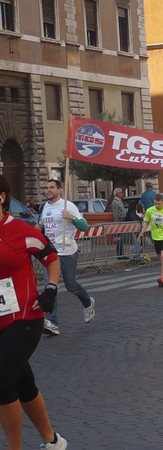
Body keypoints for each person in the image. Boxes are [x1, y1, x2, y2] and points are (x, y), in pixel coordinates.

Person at [0, 175, 69, 450]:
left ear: (1, 197)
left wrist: (50, 290)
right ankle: (52, 441)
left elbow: (51, 259)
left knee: (2, 380)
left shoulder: (21, 231)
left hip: (25, 319)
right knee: (23, 383)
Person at [39, 179, 96, 336]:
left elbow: (84, 227)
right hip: (50, 253)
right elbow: (43, 229)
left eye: (51, 187)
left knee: (71, 285)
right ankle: (52, 322)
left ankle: (87, 302)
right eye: (47, 187)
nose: (48, 190)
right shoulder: (44, 207)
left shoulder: (68, 206)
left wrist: (72, 218)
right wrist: (39, 229)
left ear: (60, 190)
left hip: (67, 252)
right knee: (50, 286)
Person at [139, 193, 163, 287]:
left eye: (159, 203)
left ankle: (162, 277)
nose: (157, 205)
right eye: (155, 203)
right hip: (155, 236)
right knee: (160, 256)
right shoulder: (150, 211)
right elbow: (146, 222)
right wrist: (142, 232)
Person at [111, 187, 127, 258]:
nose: (122, 194)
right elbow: (116, 214)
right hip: (119, 222)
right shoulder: (115, 202)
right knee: (119, 239)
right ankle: (119, 254)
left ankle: (122, 253)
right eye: (121, 192)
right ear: (117, 194)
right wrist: (117, 224)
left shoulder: (120, 201)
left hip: (122, 221)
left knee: (121, 239)